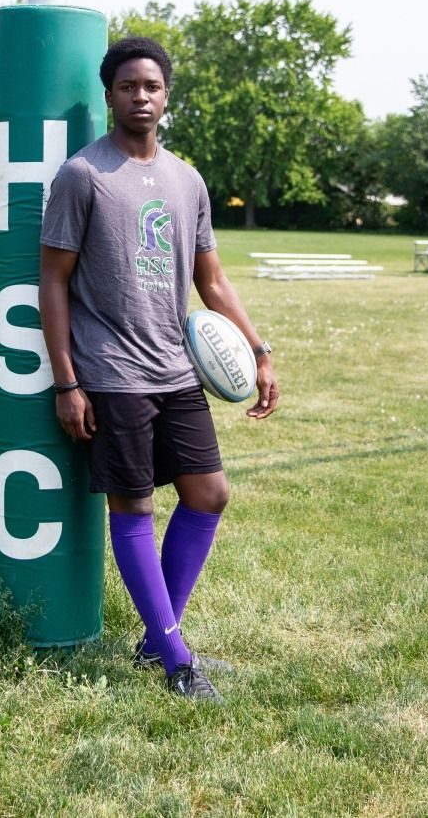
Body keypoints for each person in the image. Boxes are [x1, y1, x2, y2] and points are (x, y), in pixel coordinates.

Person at [39, 35, 279, 703]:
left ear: (166, 94)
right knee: (135, 503)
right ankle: (175, 657)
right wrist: (67, 378)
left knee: (210, 493)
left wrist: (259, 349)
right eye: (127, 86)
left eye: (151, 86)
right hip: (112, 373)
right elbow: (52, 281)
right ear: (109, 95)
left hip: (177, 369)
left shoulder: (187, 180)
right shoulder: (83, 175)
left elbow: (214, 280)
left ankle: (155, 640)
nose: (140, 96)